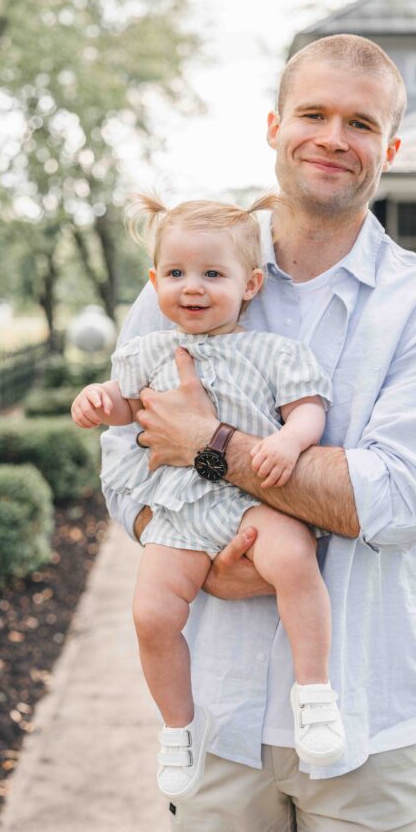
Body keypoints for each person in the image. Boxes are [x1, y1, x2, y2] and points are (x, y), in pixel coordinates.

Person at [102, 34, 416, 832]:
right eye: (312, 113)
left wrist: (211, 446)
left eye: (360, 123)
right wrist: (194, 553)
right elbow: (124, 467)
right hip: (217, 714)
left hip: (364, 711)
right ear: (275, 126)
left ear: (389, 148)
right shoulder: (189, 275)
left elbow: (398, 500)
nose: (332, 138)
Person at [71, 192, 346, 799]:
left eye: (212, 274)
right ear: (154, 283)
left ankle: (314, 692)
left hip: (254, 500)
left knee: (294, 559)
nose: (191, 287)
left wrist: (291, 441)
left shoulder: (273, 351)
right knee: (152, 614)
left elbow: (309, 409)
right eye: (175, 273)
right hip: (181, 508)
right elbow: (126, 407)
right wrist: (98, 400)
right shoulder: (147, 352)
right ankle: (179, 727)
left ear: (250, 284)